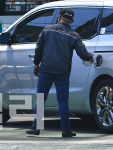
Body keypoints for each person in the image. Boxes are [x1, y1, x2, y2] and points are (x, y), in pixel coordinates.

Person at [26, 8, 93, 137]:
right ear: (72, 20)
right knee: (63, 100)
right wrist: (90, 57)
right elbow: (83, 54)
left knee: (40, 98)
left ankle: (36, 127)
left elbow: (38, 49)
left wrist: (36, 64)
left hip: (46, 69)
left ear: (59, 18)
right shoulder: (74, 35)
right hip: (63, 71)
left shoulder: (47, 30)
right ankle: (66, 130)